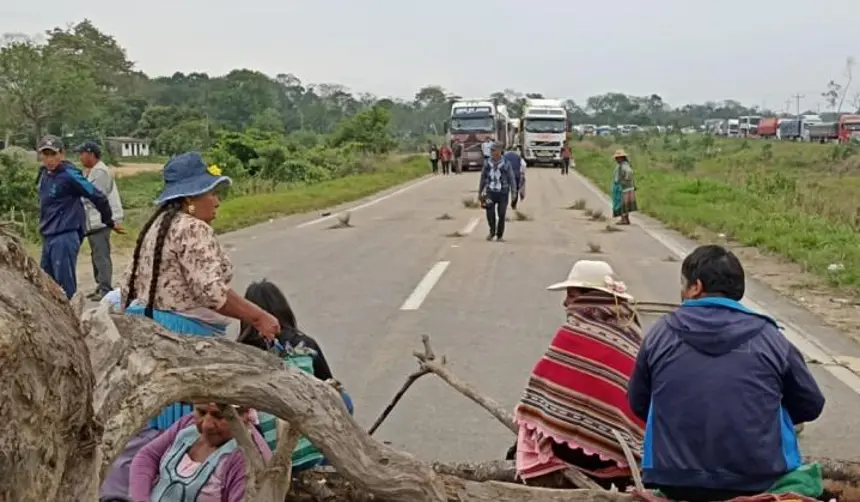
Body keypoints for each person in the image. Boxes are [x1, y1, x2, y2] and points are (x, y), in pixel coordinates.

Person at [100, 152, 280, 501]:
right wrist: (257, 316)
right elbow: (212, 293)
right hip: (185, 337)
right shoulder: (193, 228)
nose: (217, 201)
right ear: (190, 199)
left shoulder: (154, 227)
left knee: (150, 427)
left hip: (149, 333)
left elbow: (127, 289)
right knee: (188, 428)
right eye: (211, 193)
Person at [628, 245, 826, 502]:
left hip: (673, 479)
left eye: (683, 284)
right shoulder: (771, 337)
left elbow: (638, 403)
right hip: (756, 480)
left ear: (696, 287)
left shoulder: (659, 334)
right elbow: (811, 405)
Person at [511, 260, 645, 490]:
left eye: (571, 295)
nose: (565, 302)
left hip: (573, 454)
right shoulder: (633, 335)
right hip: (620, 453)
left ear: (589, 297)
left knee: (524, 440)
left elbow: (539, 396)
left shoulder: (572, 333)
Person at [239, 279, 355, 473]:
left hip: (264, 448)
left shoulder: (240, 352)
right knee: (342, 398)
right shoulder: (304, 344)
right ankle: (333, 460)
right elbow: (328, 385)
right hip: (312, 443)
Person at [128, 403, 272, 502]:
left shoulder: (248, 458)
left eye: (219, 416)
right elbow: (148, 457)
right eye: (201, 412)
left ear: (244, 416)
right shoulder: (188, 424)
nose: (206, 425)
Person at [36, 135, 120, 299]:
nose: (49, 159)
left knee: (65, 287)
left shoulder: (70, 175)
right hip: (48, 234)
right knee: (46, 284)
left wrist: (108, 221)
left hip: (65, 234)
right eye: (45, 154)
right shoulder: (44, 174)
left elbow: (98, 196)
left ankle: (74, 314)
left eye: (53, 154)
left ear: (61, 154)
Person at [78, 141, 124, 301]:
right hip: (93, 221)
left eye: (82, 153)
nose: (80, 157)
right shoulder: (90, 171)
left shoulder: (100, 172)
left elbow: (95, 196)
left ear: (91, 154)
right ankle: (100, 286)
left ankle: (106, 289)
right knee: (96, 254)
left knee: (101, 255)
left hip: (101, 220)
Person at [478, 143, 517, 242]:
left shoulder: (506, 164)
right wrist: (480, 192)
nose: (492, 152)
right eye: (491, 150)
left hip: (503, 192)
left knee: (502, 213)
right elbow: (483, 177)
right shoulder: (487, 163)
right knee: (490, 213)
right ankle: (492, 231)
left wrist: (514, 193)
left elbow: (511, 178)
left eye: (494, 150)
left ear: (499, 152)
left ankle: (500, 235)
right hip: (490, 191)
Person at [611, 149, 637, 225]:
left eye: (618, 158)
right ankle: (625, 219)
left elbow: (629, 173)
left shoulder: (624, 165)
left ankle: (624, 219)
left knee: (622, 204)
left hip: (624, 188)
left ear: (622, 158)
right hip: (625, 187)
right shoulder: (622, 165)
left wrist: (624, 181)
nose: (616, 159)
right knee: (625, 205)